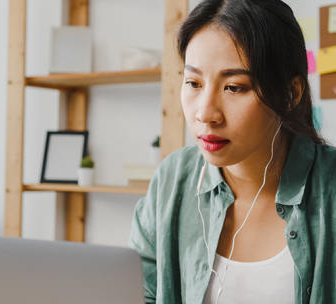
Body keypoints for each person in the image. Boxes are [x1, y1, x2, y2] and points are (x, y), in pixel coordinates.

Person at [129, 0, 336, 303]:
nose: (206, 114)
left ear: (291, 93)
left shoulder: (330, 190)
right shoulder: (173, 180)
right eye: (193, 82)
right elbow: (137, 293)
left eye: (234, 87)